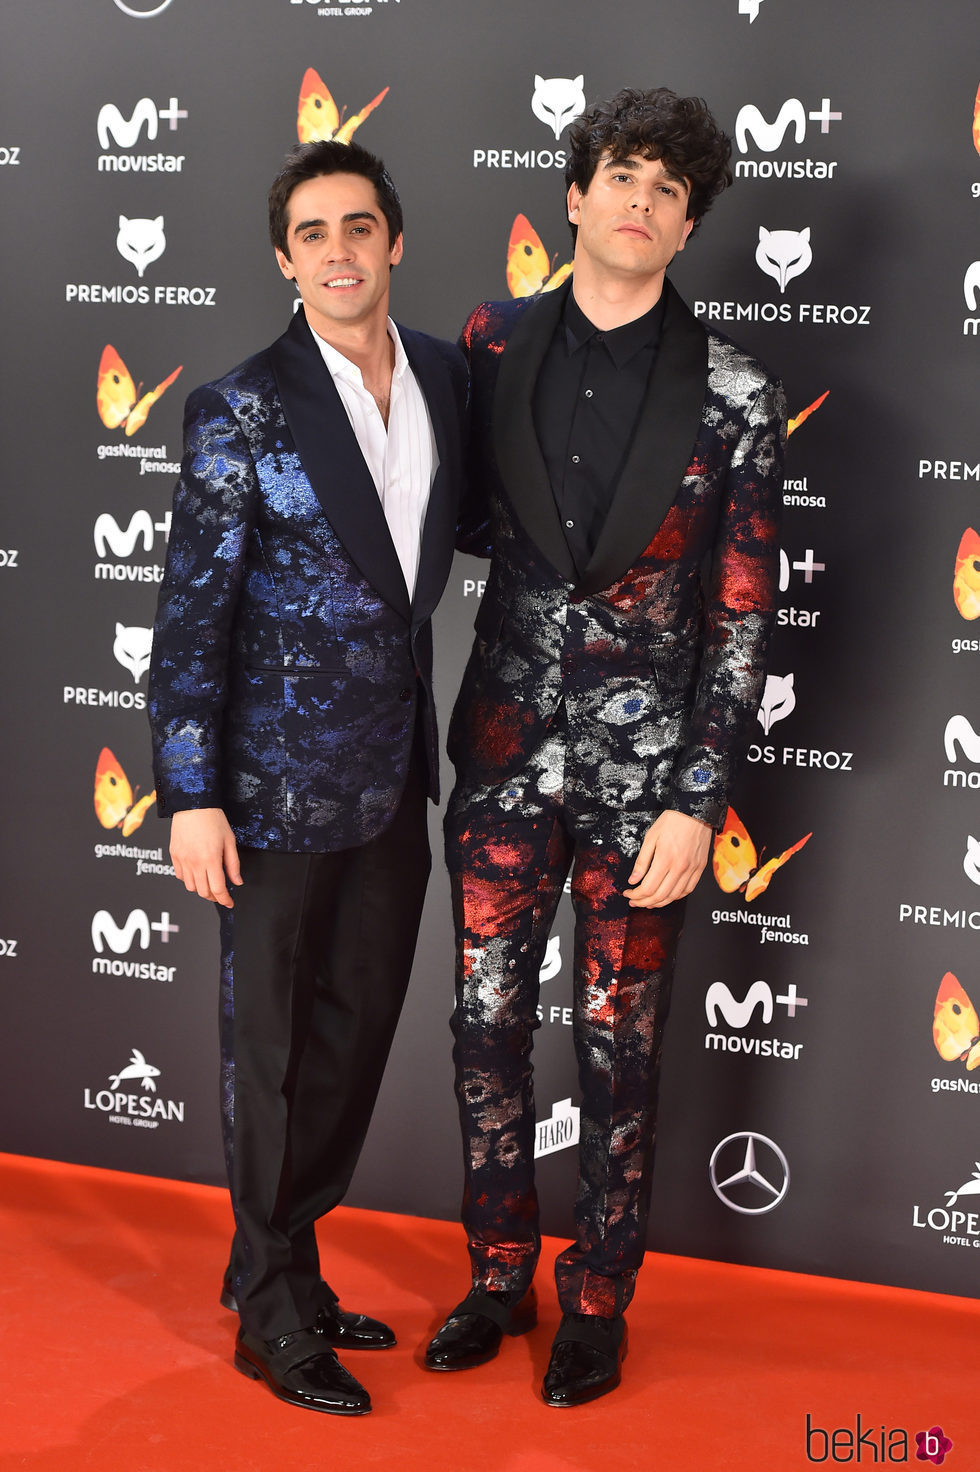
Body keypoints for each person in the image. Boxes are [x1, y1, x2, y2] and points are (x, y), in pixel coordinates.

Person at [424, 87, 784, 1406]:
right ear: (574, 197)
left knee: (619, 1048)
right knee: (481, 1025)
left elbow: (743, 613)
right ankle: (494, 1273)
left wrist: (699, 797)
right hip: (505, 756)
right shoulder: (489, 342)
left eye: (666, 190)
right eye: (620, 175)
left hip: (651, 792)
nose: (638, 202)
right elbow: (451, 519)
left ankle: (597, 1299)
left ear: (688, 225)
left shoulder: (738, 388)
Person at [148, 138, 466, 1416]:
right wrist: (189, 791)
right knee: (271, 1053)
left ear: (394, 241)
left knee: (348, 1042)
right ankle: (273, 1312)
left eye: (359, 226)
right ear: (285, 261)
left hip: (393, 783)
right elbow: (190, 615)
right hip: (267, 796)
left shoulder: (447, 374)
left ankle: (285, 1262)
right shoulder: (239, 405)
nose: (339, 251)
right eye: (313, 233)